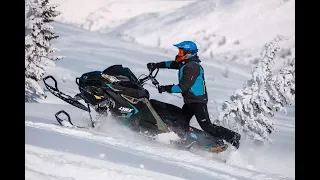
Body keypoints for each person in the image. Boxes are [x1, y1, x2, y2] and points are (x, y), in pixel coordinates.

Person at [147, 41, 241, 149]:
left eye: (181, 51)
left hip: (198, 102)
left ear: (189, 53)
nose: (179, 53)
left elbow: (183, 87)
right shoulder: (186, 63)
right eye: (179, 51)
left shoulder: (192, 67)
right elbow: (172, 64)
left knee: (207, 126)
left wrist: (165, 88)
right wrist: (156, 65)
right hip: (189, 101)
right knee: (181, 123)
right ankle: (185, 141)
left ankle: (234, 138)